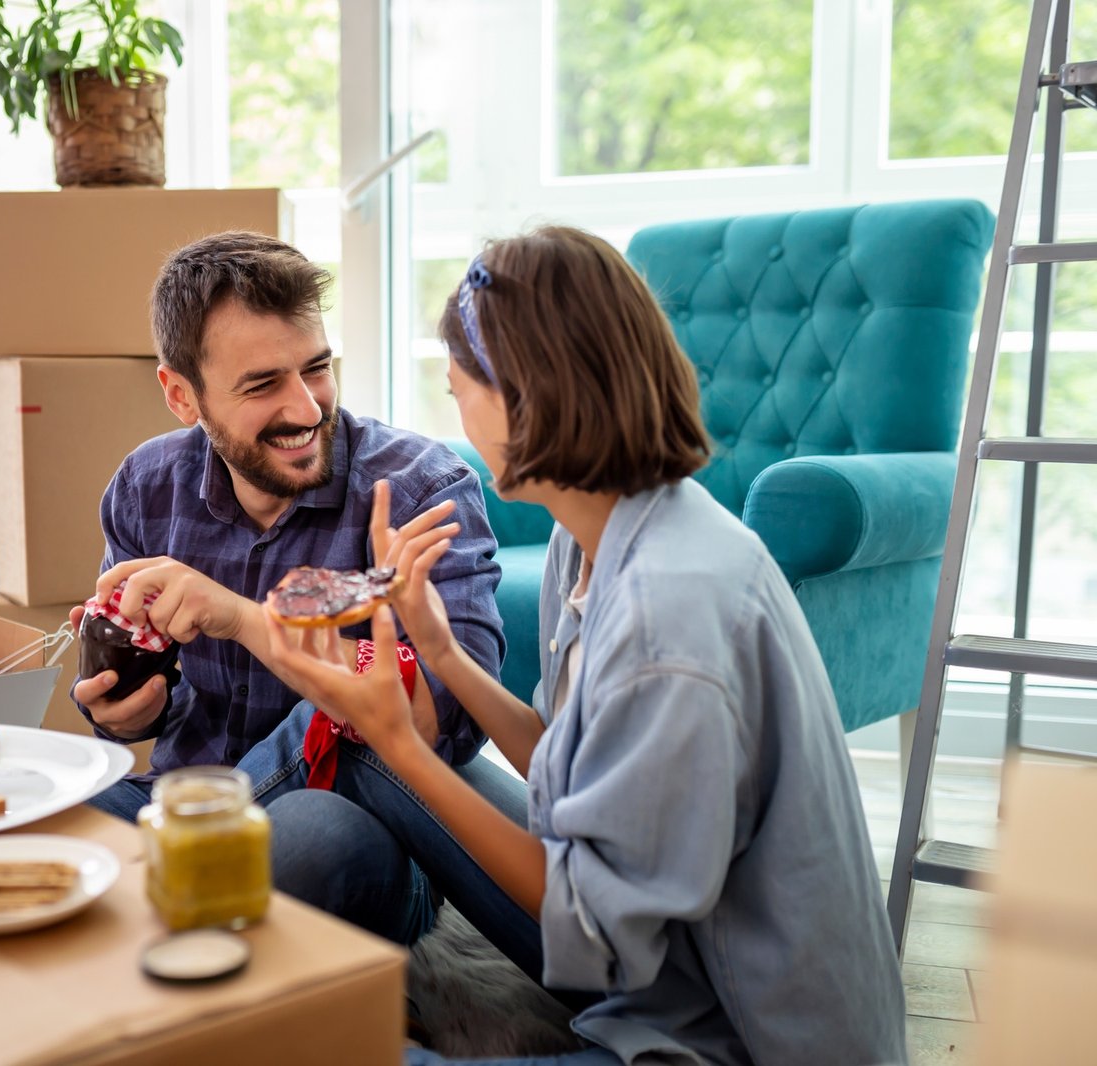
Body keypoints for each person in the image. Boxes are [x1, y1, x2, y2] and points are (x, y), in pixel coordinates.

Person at [262, 227, 908, 1065]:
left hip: (723, 1041)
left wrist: (400, 739)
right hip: (658, 969)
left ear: (528, 397)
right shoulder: (600, 531)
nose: (452, 403)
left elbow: (598, 930)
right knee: (368, 755)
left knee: (305, 1051)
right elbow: (569, 770)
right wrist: (441, 654)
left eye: (458, 387)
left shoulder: (668, 616)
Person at [72, 230, 518, 945]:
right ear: (181, 395)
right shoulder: (145, 487)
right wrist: (122, 714)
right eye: (261, 385)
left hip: (351, 822)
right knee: (55, 823)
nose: (308, 408)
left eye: (316, 368)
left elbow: (457, 717)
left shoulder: (418, 488)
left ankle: (172, 901)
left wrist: (244, 619)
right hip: (179, 794)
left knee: (307, 842)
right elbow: (134, 696)